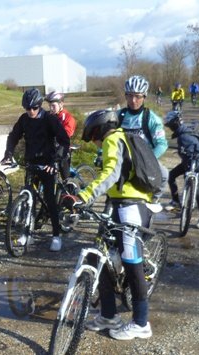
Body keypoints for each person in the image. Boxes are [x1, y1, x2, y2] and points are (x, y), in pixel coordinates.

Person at [70, 109, 153, 340]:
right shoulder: (121, 138)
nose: (95, 143)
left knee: (132, 263)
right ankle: (108, 315)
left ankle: (141, 323)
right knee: (102, 256)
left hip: (131, 207)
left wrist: (84, 196)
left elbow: (111, 174)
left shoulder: (113, 139)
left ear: (100, 129)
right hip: (120, 204)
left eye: (93, 137)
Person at [0, 88, 70, 252]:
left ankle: (56, 235)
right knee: (28, 199)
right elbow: (13, 136)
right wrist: (9, 153)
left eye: (34, 108)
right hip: (31, 163)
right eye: (27, 108)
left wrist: (55, 161)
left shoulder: (50, 120)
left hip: (48, 165)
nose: (31, 111)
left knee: (50, 200)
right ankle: (27, 233)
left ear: (39, 106)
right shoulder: (24, 119)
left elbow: (64, 141)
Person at [118, 75, 169, 202]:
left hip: (143, 160)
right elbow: (107, 138)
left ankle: (152, 201)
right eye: (129, 95)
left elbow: (162, 144)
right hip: (121, 159)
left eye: (138, 96)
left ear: (144, 96)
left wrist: (148, 160)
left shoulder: (151, 118)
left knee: (164, 175)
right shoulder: (118, 116)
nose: (133, 100)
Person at [163, 111, 199, 229]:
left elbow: (194, 151)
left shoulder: (184, 135)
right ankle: (176, 202)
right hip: (188, 162)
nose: (170, 128)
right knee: (171, 175)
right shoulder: (183, 131)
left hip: (198, 165)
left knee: (197, 191)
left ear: (175, 123)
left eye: (170, 125)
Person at [45, 91, 77, 182]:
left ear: (61, 104)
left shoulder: (68, 118)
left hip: (63, 148)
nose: (51, 109)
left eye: (53, 106)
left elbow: (65, 136)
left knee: (64, 175)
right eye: (49, 106)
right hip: (52, 149)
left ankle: (70, 190)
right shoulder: (50, 116)